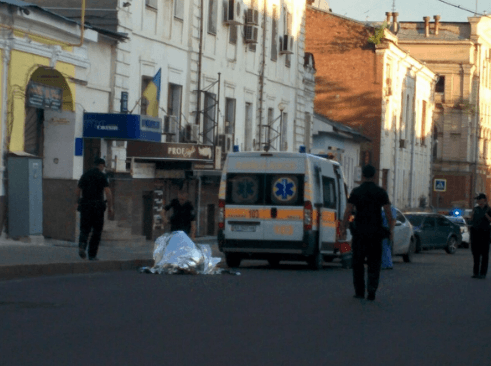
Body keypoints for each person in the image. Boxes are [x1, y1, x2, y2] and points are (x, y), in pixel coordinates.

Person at [340, 164, 393, 301]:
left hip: (359, 234)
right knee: (374, 263)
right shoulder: (381, 192)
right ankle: (372, 290)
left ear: (363, 175)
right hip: (376, 234)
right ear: (375, 176)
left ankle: (359, 291)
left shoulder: (356, 192)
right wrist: (391, 232)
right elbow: (388, 214)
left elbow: (347, 211)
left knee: (357, 263)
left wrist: (343, 228)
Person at [75, 158, 113, 260]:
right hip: (97, 207)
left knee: (84, 229)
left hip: (85, 205)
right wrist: (110, 207)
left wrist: (77, 202)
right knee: (96, 231)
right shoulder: (102, 176)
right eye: (103, 166)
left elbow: (78, 189)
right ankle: (92, 255)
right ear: (101, 165)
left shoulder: (85, 175)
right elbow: (108, 192)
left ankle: (82, 246)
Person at [469, 193, 491, 279]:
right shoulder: (475, 209)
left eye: (479, 199)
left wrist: (487, 216)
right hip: (475, 233)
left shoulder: (488, 209)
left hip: (485, 233)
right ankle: (476, 273)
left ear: (484, 200)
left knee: (485, 255)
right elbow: (471, 219)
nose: (477, 201)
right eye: (477, 200)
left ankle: (483, 273)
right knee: (476, 254)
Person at [381, 205, 397, 270]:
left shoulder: (392, 209)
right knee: (384, 247)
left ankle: (387, 264)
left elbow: (393, 220)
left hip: (387, 229)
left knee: (386, 246)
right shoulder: (381, 209)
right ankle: (386, 264)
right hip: (382, 229)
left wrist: (391, 231)